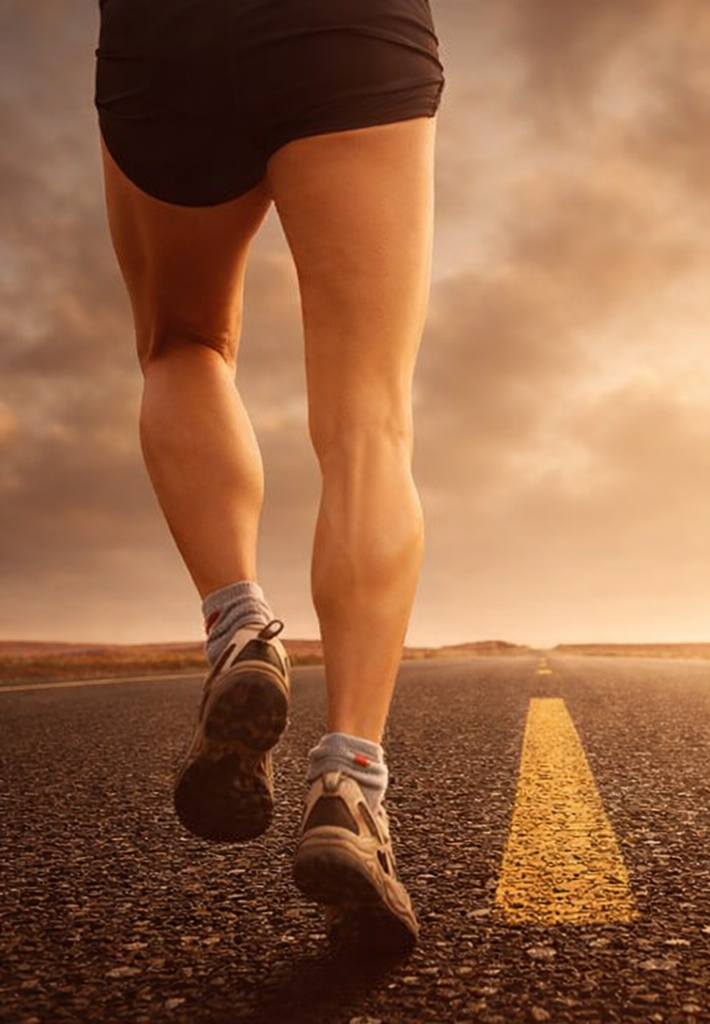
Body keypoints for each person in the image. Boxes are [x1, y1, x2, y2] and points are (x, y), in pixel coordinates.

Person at [94, 0, 444, 954]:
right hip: (350, 30)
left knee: (183, 343)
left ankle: (239, 624)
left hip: (164, 35)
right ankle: (350, 784)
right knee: (369, 422)